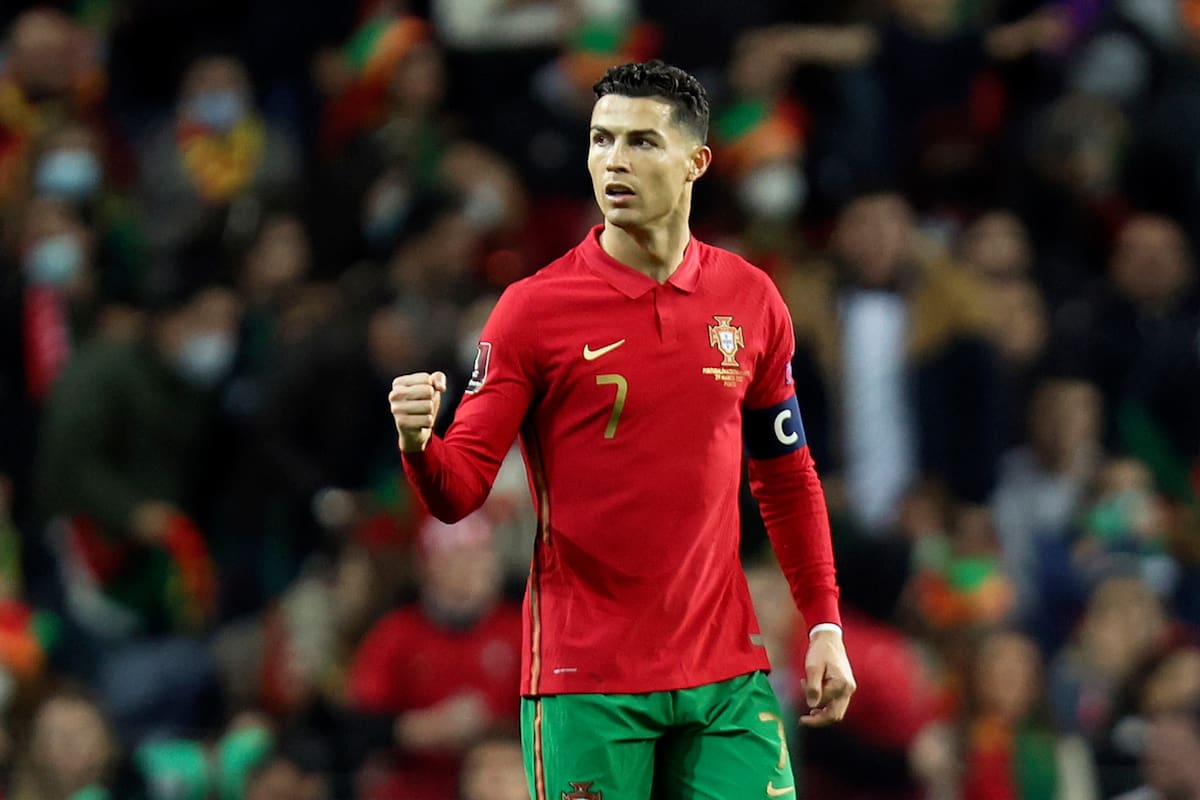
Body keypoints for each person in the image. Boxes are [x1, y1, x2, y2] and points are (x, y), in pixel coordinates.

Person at [389, 60, 855, 799]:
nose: (614, 160)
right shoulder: (533, 311)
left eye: (642, 142)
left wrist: (824, 623)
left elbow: (787, 477)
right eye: (601, 139)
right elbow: (459, 492)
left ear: (696, 161)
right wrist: (419, 444)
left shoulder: (751, 299)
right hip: (587, 680)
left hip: (724, 674)